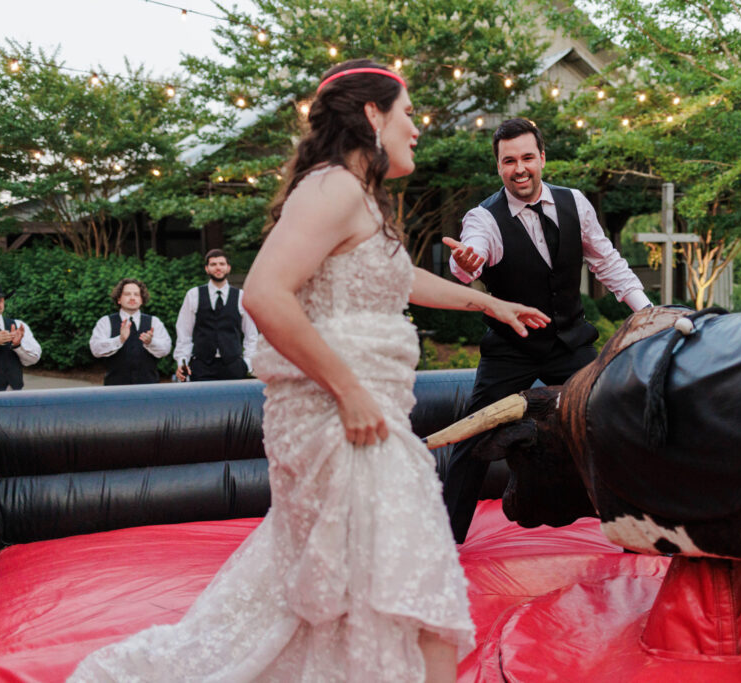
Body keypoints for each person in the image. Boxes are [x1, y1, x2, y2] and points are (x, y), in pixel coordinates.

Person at [69, 59, 548, 682]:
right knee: (409, 573)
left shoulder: (361, 202)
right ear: (372, 116)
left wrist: (489, 301)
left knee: (388, 580)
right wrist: (348, 392)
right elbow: (265, 294)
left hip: (368, 416)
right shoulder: (332, 188)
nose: (417, 129)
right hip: (340, 421)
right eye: (408, 114)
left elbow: (401, 278)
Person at [440, 117, 653, 543]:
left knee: (612, 424)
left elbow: (607, 262)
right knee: (473, 434)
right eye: (508, 161)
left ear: (542, 159)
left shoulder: (575, 203)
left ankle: (641, 530)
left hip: (571, 343)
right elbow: (472, 255)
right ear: (498, 166)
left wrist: (647, 312)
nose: (519, 168)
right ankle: (443, 541)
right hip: (510, 349)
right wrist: (465, 263)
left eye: (526, 158)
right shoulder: (484, 217)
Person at [173, 249, 258, 381]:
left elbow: (251, 335)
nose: (218, 267)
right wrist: (182, 361)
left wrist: (247, 364)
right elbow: (184, 332)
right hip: (201, 365)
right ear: (207, 269)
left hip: (233, 365)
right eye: (213, 264)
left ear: (228, 268)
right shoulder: (193, 295)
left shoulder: (241, 296)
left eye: (221, 264)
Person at [88, 278, 172, 385]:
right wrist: (120, 339)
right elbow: (95, 349)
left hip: (149, 388)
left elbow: (166, 349)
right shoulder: (105, 322)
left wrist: (151, 342)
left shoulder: (154, 322)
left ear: (142, 300)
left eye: (136, 294)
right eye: (127, 294)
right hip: (115, 389)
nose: (132, 298)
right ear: (119, 299)